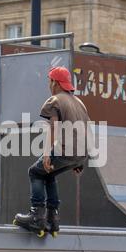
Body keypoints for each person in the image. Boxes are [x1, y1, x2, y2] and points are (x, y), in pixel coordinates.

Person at [14, 66, 91, 235]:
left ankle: (37, 215)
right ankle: (52, 218)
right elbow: (86, 130)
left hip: (65, 150)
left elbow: (53, 128)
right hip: (80, 153)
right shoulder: (79, 103)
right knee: (48, 173)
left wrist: (47, 153)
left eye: (50, 81)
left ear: (55, 82)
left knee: (35, 172)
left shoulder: (55, 100)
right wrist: (81, 162)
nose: (49, 85)